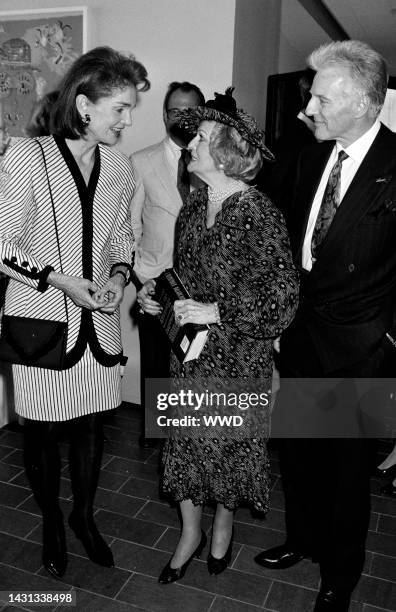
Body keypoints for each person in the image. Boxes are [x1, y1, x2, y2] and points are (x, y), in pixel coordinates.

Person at [255, 40, 396, 612]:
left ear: (365, 102)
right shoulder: (310, 151)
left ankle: (341, 572)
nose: (305, 109)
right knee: (299, 455)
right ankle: (303, 539)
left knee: (345, 472)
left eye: (319, 99)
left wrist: (390, 338)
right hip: (300, 335)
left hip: (361, 348)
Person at [137, 88, 299, 583]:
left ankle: (223, 526)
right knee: (184, 444)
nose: (190, 145)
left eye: (202, 138)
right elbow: (182, 279)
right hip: (189, 356)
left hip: (238, 359)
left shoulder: (259, 213)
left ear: (227, 150)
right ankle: (190, 533)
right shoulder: (193, 206)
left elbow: (283, 300)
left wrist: (219, 310)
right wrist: (154, 295)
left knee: (227, 448)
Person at [0, 46, 149, 579]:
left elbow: (122, 239)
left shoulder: (119, 167)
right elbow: (3, 245)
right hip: (41, 326)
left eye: (131, 109)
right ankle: (51, 524)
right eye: (120, 109)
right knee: (40, 435)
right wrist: (61, 282)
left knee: (90, 430)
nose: (128, 121)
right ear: (84, 105)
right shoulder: (25, 156)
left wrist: (114, 276)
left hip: (97, 329)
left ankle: (83, 517)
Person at [130, 81, 205, 447]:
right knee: (157, 370)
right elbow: (129, 229)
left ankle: (188, 441)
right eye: (176, 110)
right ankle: (158, 442)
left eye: (191, 110)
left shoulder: (214, 163)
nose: (183, 117)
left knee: (195, 371)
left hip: (202, 292)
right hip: (155, 288)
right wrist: (140, 279)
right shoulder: (140, 162)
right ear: (164, 115)